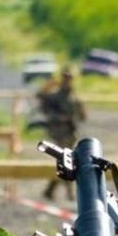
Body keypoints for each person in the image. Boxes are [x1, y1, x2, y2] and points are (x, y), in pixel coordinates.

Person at [37, 67, 86, 200]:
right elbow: (42, 101)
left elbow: (81, 115)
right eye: (65, 77)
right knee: (66, 160)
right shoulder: (55, 96)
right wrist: (49, 85)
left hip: (71, 132)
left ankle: (50, 190)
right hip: (60, 132)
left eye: (69, 78)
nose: (67, 80)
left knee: (66, 160)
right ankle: (69, 192)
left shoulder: (73, 96)